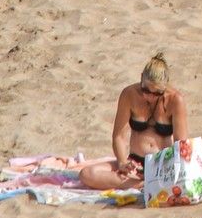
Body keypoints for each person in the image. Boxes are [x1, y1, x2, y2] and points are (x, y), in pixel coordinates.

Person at [78, 52, 189, 191]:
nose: (150, 97)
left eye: (157, 93)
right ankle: (142, 185)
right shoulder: (129, 94)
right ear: (141, 77)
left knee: (194, 172)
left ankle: (145, 184)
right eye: (146, 90)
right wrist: (122, 162)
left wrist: (173, 168)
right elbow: (118, 136)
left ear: (165, 87)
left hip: (162, 164)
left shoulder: (175, 100)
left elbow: (181, 144)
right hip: (135, 164)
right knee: (87, 174)